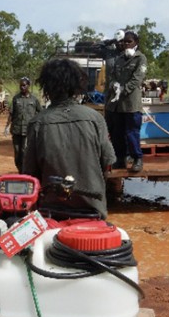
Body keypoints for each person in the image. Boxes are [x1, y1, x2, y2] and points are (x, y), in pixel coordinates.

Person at [23, 58, 116, 219]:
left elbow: (30, 173)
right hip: (93, 211)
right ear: (76, 86)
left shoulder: (37, 123)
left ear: (47, 87)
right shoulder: (95, 119)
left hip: (51, 213)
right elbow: (108, 164)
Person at [105, 31, 148, 173]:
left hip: (131, 104)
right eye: (123, 41)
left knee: (131, 133)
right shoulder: (119, 59)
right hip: (117, 105)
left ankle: (137, 158)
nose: (125, 44)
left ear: (136, 42)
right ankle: (120, 158)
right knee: (117, 134)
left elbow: (137, 79)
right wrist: (113, 86)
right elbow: (111, 77)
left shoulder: (140, 59)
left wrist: (123, 89)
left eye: (128, 41)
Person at [5, 77, 42, 172]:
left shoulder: (34, 100)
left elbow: (41, 112)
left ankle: (25, 171)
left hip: (28, 130)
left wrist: (39, 125)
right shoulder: (16, 98)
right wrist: (7, 126)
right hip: (16, 130)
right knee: (17, 152)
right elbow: (11, 113)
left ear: (28, 86)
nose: (22, 87)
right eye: (21, 85)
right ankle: (20, 170)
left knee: (24, 151)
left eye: (24, 85)